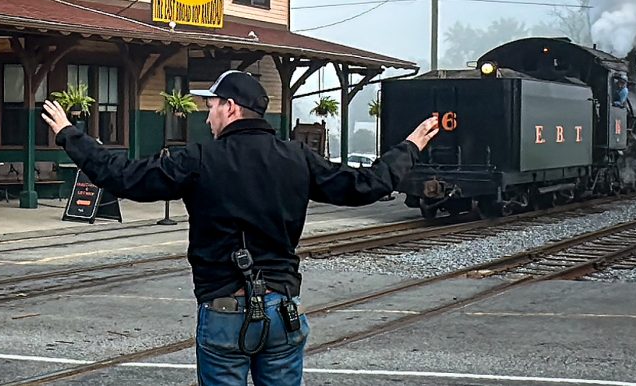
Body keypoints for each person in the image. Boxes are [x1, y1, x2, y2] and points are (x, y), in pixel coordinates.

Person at [41, 70, 440, 386]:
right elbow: (365, 185)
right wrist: (409, 147)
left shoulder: (198, 158)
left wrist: (69, 134)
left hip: (223, 311)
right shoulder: (297, 157)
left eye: (211, 105)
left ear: (231, 107)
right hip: (282, 309)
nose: (207, 114)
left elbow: (123, 177)